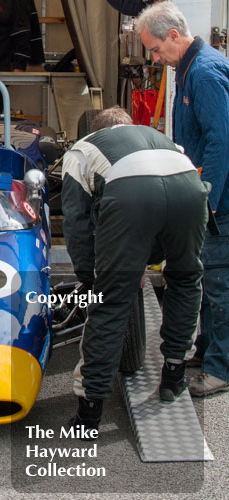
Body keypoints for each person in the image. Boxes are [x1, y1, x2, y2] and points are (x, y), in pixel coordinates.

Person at [61, 106, 209, 433]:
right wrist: (142, 258)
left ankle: (89, 414)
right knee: (186, 279)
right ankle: (173, 375)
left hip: (133, 195)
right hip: (188, 186)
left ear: (92, 132)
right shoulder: (159, 139)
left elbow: (76, 222)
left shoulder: (82, 150)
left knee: (111, 303)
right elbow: (163, 203)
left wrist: (92, 278)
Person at [136, 0, 229, 397]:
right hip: (210, 194)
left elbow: (221, 142)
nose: (156, 59)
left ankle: (221, 368)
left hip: (220, 201)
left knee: (221, 283)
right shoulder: (191, 68)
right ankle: (208, 351)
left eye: (156, 50)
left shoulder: (205, 73)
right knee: (207, 276)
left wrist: (205, 198)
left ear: (174, 36)